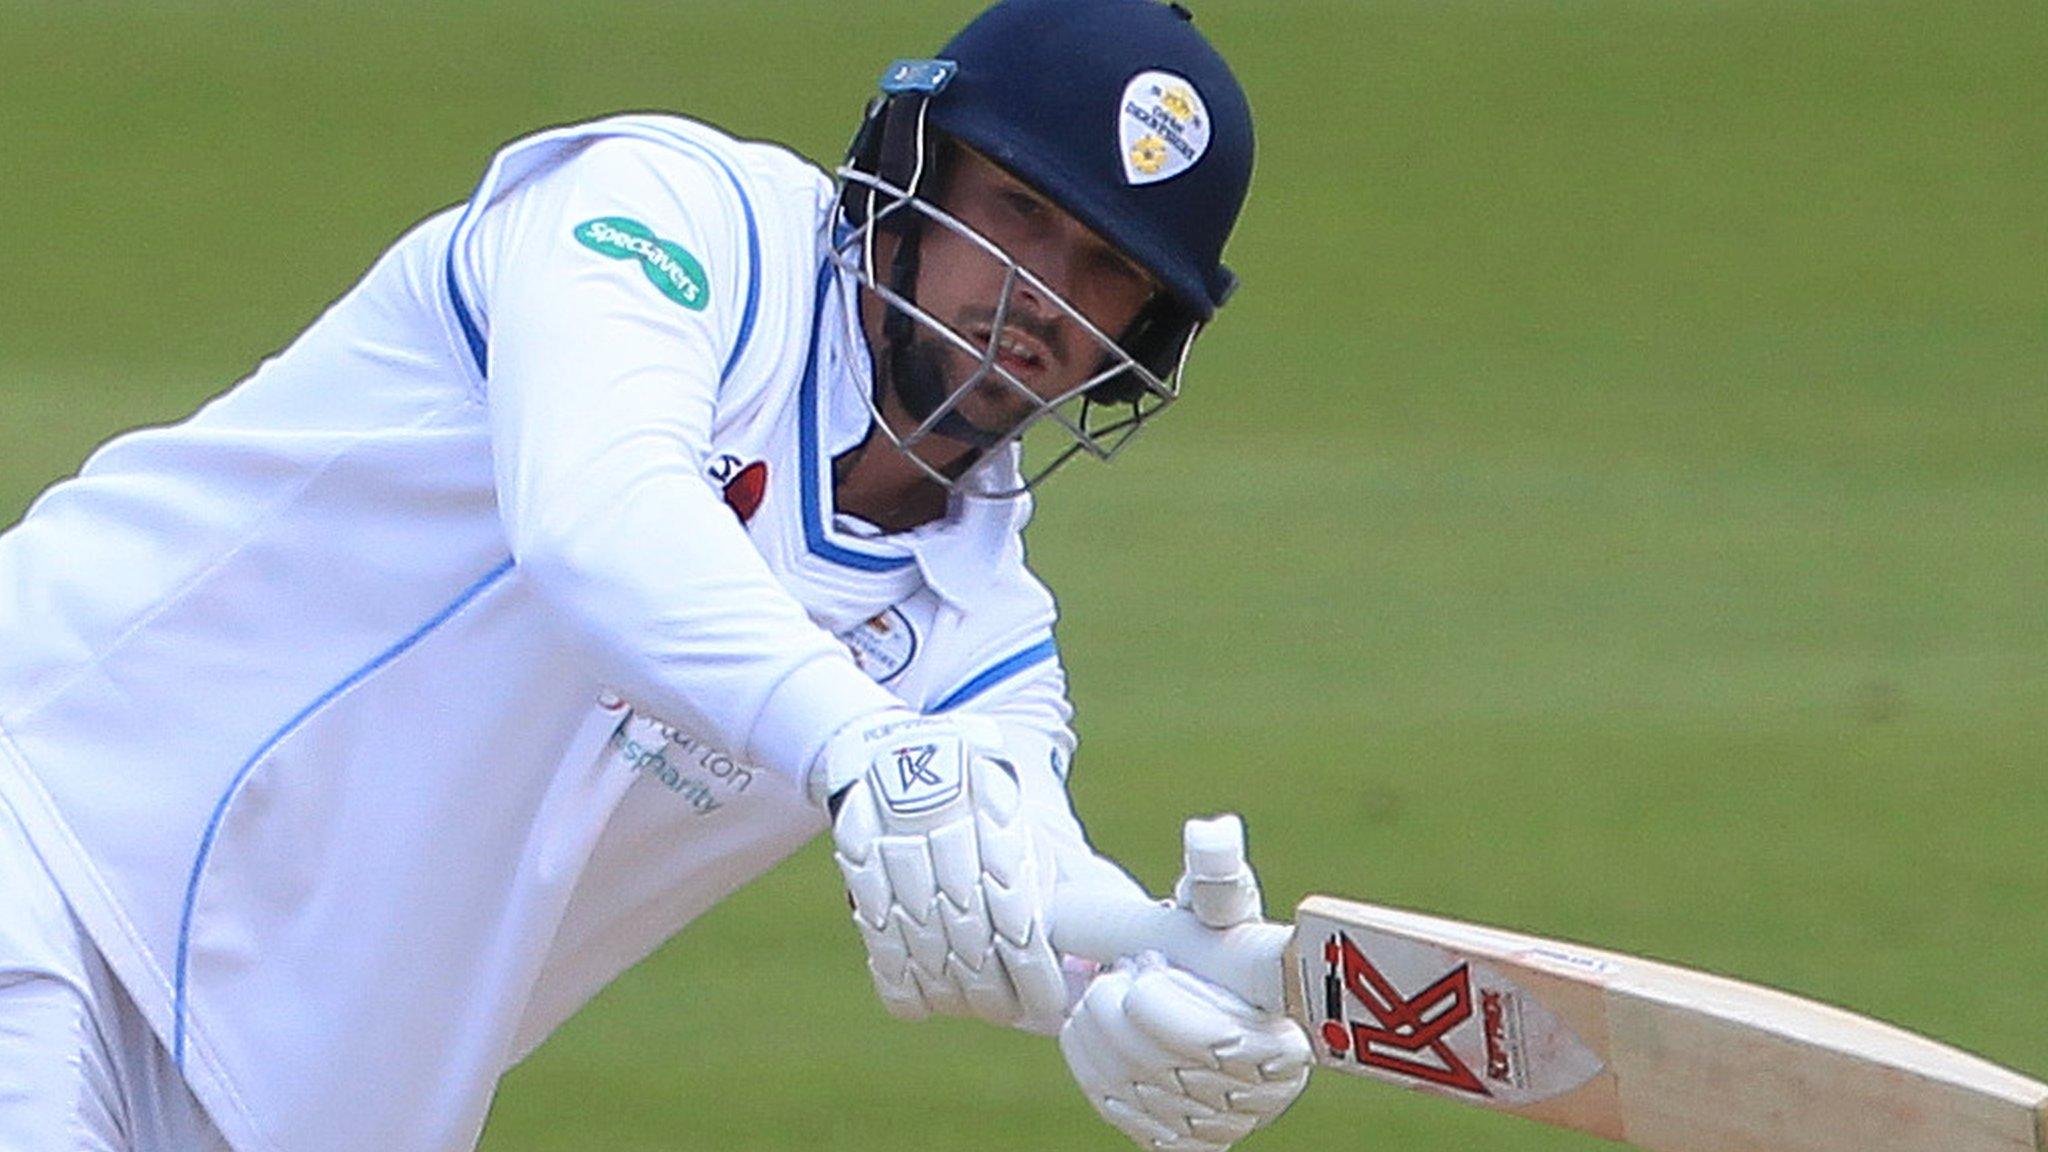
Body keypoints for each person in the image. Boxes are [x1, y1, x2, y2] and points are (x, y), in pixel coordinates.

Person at [0, 1, 1312, 1149]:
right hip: (56, 835)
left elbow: (1016, 871)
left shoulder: (981, 641)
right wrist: (859, 747)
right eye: (1019, 210)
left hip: (283, 1100)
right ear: (909, 169)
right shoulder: (668, 217)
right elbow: (597, 515)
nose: (1044, 296)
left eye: (1109, 272)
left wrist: (1157, 986)